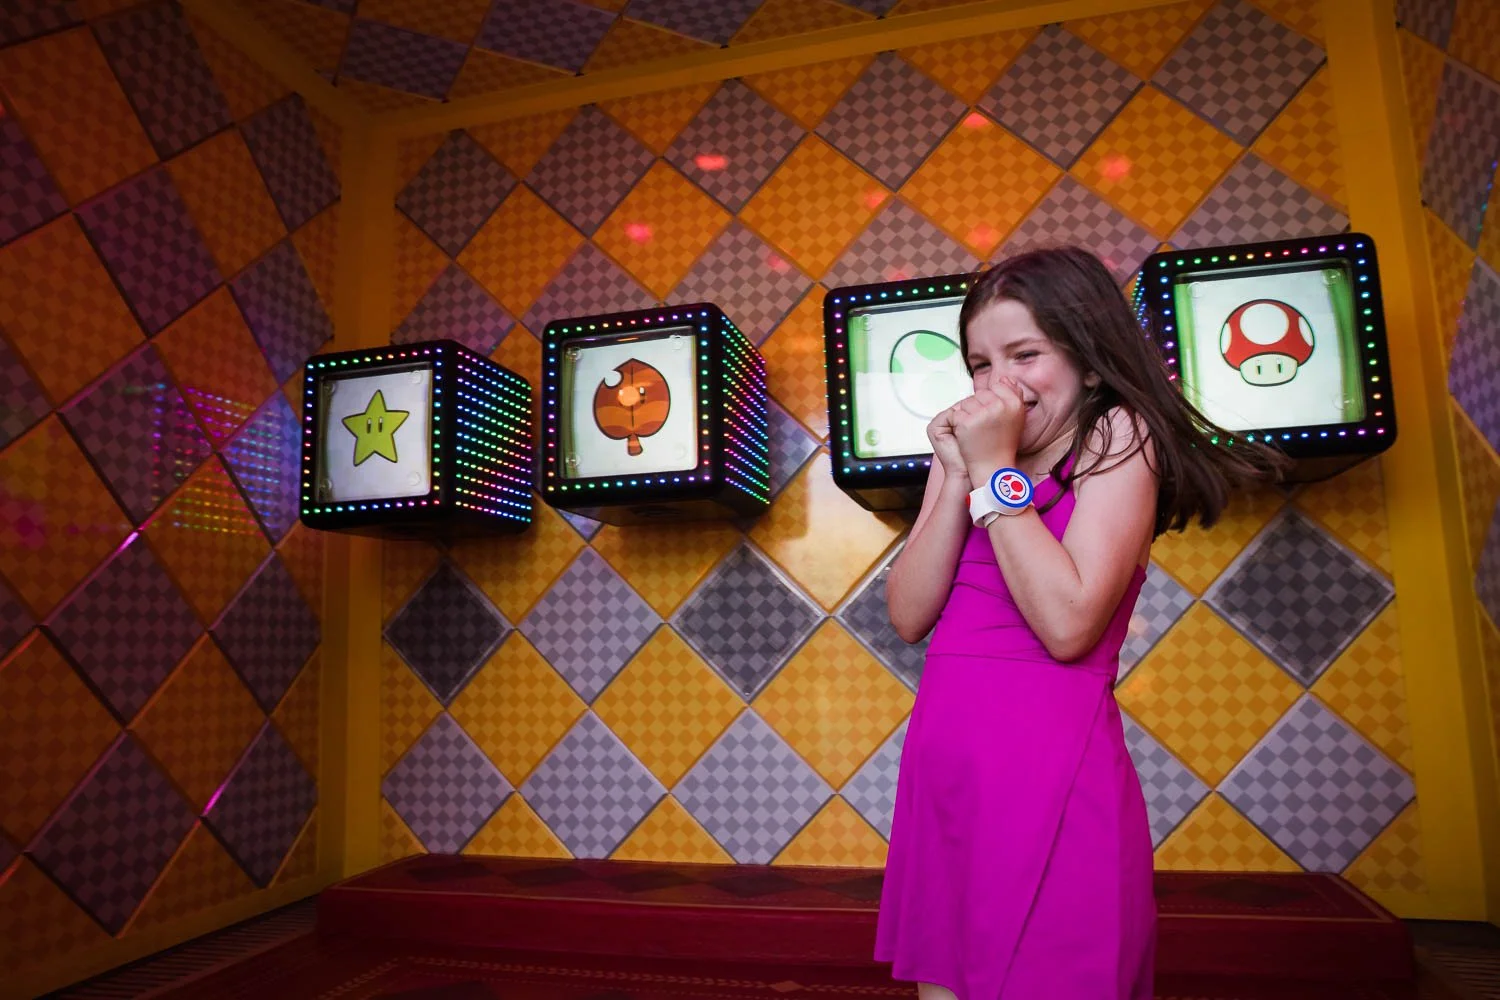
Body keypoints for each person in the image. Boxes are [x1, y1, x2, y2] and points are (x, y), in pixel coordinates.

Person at [873, 247, 1286, 999]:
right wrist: (960, 471)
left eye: (1025, 354)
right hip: (946, 761)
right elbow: (907, 615)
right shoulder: (966, 460)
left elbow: (1068, 624)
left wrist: (995, 473)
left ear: (1089, 362)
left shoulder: (1117, 437)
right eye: (978, 363)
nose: (999, 383)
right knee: (946, 984)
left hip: (1049, 763)